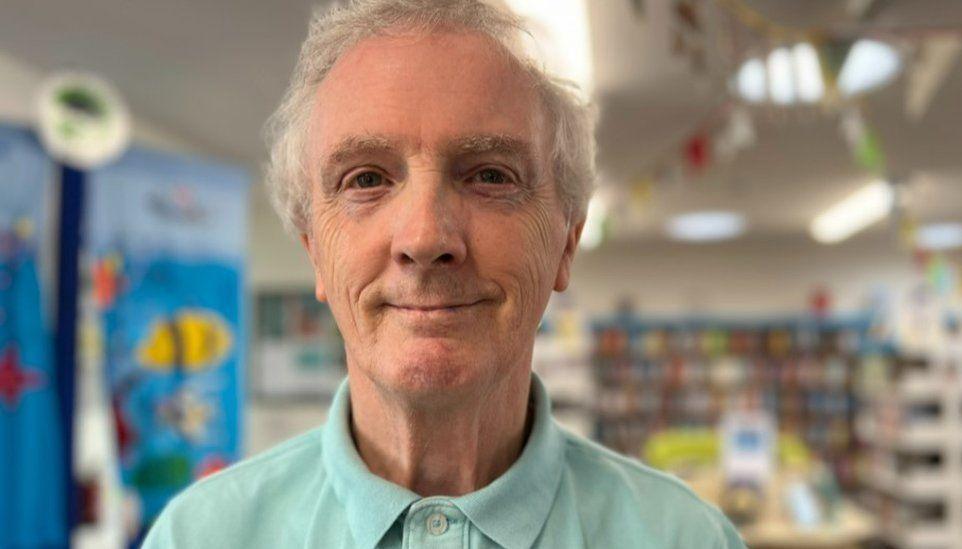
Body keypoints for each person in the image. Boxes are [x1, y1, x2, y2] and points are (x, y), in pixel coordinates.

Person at [142, 0, 746, 547]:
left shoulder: (686, 539)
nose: (426, 238)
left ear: (566, 242)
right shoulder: (201, 536)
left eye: (489, 175)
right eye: (367, 179)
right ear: (313, 252)